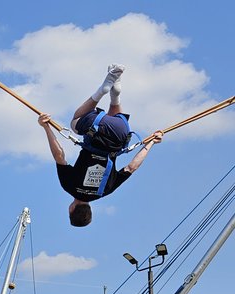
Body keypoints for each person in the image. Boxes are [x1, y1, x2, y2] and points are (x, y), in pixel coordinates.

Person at [38, 64, 163, 227]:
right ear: (71, 209)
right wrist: (46, 127)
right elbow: (59, 156)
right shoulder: (69, 186)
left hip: (121, 132)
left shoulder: (105, 191)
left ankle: (115, 93)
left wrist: (152, 142)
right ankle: (102, 91)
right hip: (96, 127)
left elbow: (132, 167)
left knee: (113, 118)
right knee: (75, 122)